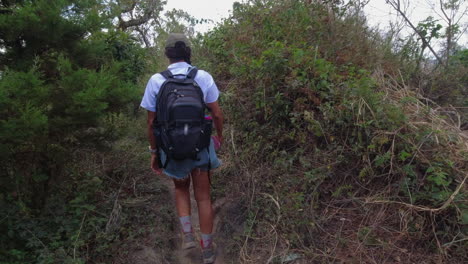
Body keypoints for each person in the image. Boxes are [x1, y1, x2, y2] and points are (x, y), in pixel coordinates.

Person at [140, 33, 224, 264]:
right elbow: (216, 113)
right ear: (189, 52)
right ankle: (207, 250)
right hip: (200, 144)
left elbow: (150, 122)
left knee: (180, 189)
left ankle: (187, 236)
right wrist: (219, 137)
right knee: (204, 197)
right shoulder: (203, 77)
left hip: (171, 145)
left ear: (167, 54)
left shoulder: (156, 80)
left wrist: (155, 153)